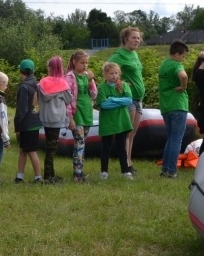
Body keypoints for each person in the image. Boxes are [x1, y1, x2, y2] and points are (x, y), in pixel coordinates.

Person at [107, 27, 144, 172]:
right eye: (134, 37)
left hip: (138, 98)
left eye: (138, 38)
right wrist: (119, 83)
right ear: (125, 39)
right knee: (127, 133)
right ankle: (126, 164)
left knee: (133, 133)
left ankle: (129, 161)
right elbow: (107, 68)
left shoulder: (134, 54)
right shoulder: (119, 55)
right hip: (128, 98)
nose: (137, 40)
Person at [37, 56, 72, 184]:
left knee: (49, 146)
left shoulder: (42, 82)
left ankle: (51, 173)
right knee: (52, 148)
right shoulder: (62, 83)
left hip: (46, 118)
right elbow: (69, 99)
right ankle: (48, 176)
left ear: (50, 68)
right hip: (57, 119)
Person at [96, 62, 133, 180]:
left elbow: (128, 101)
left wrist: (112, 99)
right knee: (105, 148)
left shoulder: (124, 85)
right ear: (105, 74)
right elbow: (104, 105)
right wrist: (119, 102)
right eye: (111, 73)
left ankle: (125, 171)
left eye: (116, 73)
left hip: (121, 122)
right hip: (107, 123)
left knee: (122, 148)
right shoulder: (101, 87)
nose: (114, 75)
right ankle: (104, 171)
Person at [158, 40, 190, 179]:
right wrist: (184, 87)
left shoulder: (164, 64)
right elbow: (183, 76)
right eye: (183, 56)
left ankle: (165, 168)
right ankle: (171, 170)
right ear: (177, 54)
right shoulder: (177, 65)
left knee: (171, 138)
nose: (184, 59)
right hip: (178, 104)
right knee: (177, 139)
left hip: (166, 106)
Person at [65, 50, 97, 182]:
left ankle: (80, 171)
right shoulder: (69, 77)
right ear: (74, 62)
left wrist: (91, 81)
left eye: (86, 63)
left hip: (87, 113)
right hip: (76, 114)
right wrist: (70, 118)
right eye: (82, 63)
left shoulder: (87, 76)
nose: (85, 65)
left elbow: (94, 94)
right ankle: (77, 174)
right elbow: (67, 100)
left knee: (82, 144)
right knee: (79, 144)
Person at [13, 59, 42, 184]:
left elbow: (22, 109)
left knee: (31, 151)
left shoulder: (24, 87)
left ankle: (38, 177)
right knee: (23, 150)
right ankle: (19, 176)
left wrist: (17, 125)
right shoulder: (36, 84)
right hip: (35, 121)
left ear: (21, 71)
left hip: (27, 124)